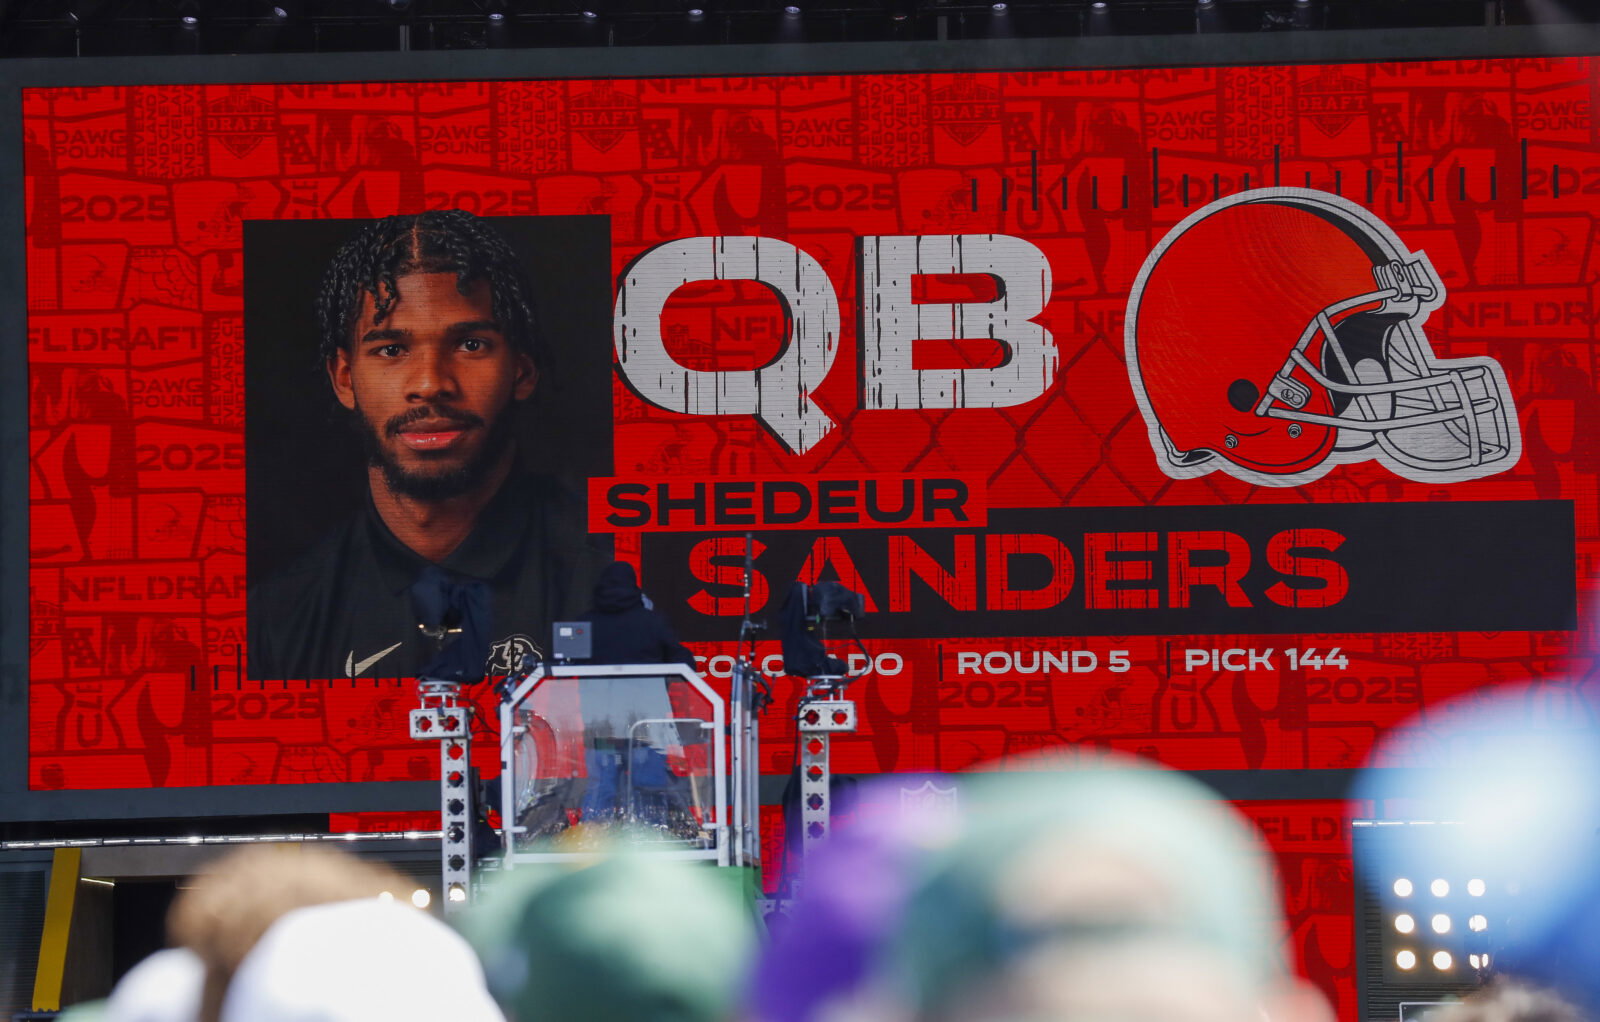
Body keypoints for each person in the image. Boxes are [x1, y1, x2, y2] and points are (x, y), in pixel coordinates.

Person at [247, 210, 608, 681]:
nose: (430, 384)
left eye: (470, 345)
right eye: (391, 350)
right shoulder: (277, 621)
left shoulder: (613, 572)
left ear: (521, 371)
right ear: (345, 379)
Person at [583, 560, 696, 668]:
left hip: (597, 682)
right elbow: (681, 659)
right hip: (648, 682)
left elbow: (574, 662)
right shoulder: (653, 622)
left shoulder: (585, 623)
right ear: (633, 586)